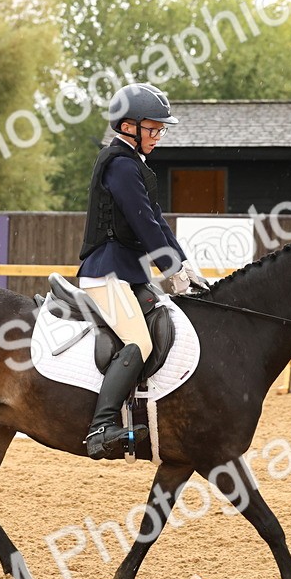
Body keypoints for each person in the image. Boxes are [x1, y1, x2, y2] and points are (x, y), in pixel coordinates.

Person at [77, 82, 208, 460]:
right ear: (128, 126)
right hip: (105, 273)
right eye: (153, 129)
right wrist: (170, 268)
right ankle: (101, 427)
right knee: (140, 341)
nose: (158, 136)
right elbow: (143, 223)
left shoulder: (135, 163)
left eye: (160, 130)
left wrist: (184, 265)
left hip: (128, 273)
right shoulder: (120, 165)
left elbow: (158, 221)